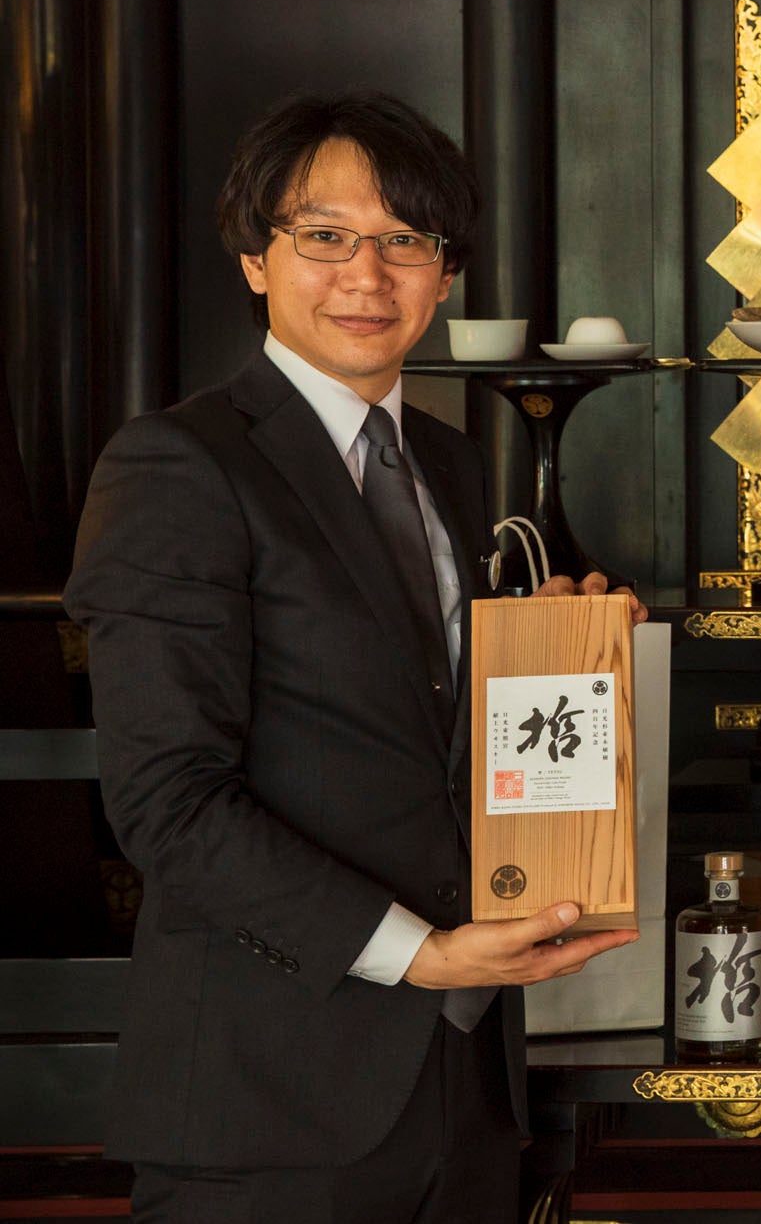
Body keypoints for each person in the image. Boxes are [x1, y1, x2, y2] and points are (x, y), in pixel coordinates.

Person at [67, 92, 642, 1222]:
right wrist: (419, 955)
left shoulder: (450, 465)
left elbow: (423, 734)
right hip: (269, 1097)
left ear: (446, 271)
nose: (366, 276)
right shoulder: (178, 465)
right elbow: (167, 800)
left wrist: (548, 653)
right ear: (256, 259)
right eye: (324, 235)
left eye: (405, 240)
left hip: (468, 1084)